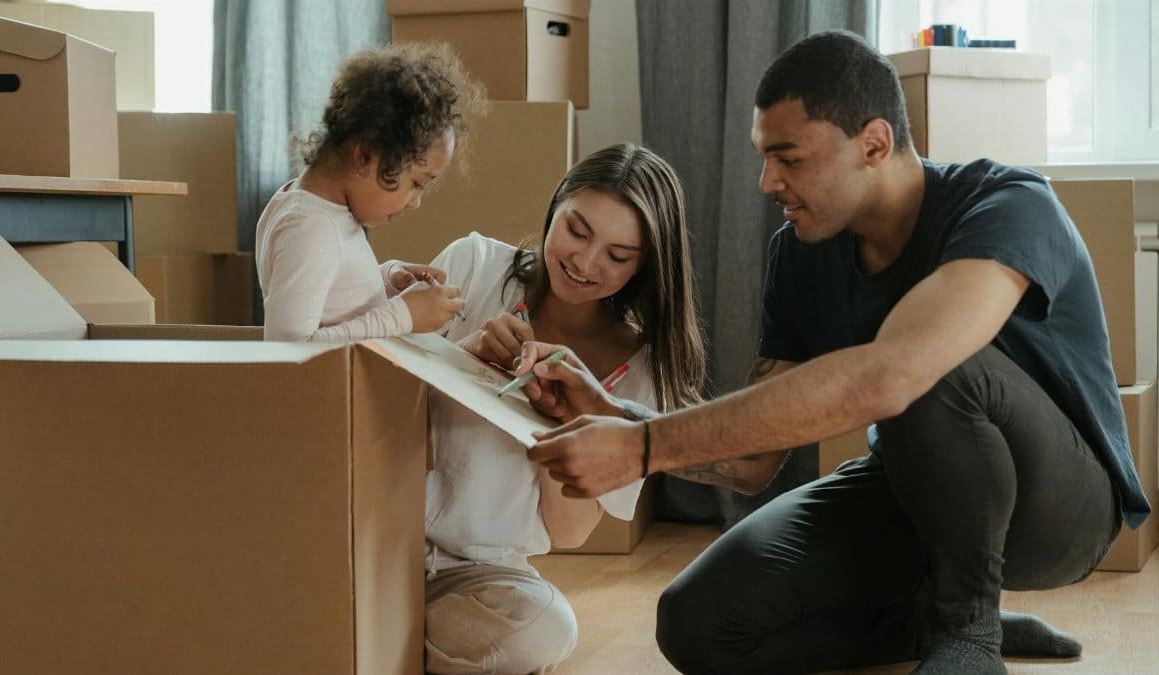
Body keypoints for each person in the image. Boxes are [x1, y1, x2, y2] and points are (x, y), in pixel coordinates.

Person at [521, 30, 1151, 674]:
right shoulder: (797, 254)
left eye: (788, 158)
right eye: (764, 157)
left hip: (1060, 509)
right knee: (698, 624)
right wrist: (621, 421)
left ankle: (969, 634)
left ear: (873, 143)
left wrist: (643, 447)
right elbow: (753, 465)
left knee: (930, 365)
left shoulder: (1009, 203)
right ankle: (926, 623)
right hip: (911, 492)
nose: (767, 182)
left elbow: (894, 375)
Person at [417, 143, 706, 674]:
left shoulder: (641, 371)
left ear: (645, 266)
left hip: (485, 574)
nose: (584, 262)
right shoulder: (473, 265)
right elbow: (371, 406)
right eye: (577, 230)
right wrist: (465, 356)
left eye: (618, 256)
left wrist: (564, 419)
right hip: (382, 533)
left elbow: (569, 533)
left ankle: (378, 635)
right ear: (557, 206)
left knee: (549, 628)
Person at [256, 42, 485, 342]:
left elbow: (332, 294)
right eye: (416, 183)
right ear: (365, 156)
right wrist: (402, 315)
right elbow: (289, 349)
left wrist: (388, 280)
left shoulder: (314, 209)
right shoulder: (311, 228)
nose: (415, 203)